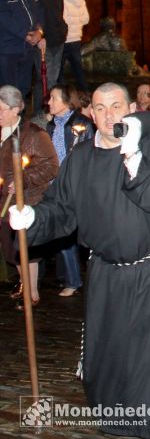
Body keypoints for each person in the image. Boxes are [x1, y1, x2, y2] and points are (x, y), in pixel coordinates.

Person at [9, 82, 150, 439]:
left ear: (130, 110)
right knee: (111, 357)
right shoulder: (79, 159)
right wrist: (31, 219)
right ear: (90, 114)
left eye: (116, 106)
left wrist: (131, 155)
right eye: (100, 107)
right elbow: (59, 211)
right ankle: (121, 424)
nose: (109, 115)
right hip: (107, 274)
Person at [0, 85, 58, 308]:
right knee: (11, 249)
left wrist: (23, 179)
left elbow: (51, 166)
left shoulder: (33, 134)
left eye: (2, 109)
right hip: (4, 201)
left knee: (25, 248)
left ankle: (32, 293)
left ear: (16, 109)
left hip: (27, 201)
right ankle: (24, 284)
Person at [46, 84, 94, 296]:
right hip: (56, 187)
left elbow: (90, 156)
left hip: (77, 186)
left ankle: (93, 277)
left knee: (85, 235)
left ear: (66, 101)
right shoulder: (50, 126)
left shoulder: (82, 124)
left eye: (54, 98)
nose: (49, 102)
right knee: (62, 233)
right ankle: (73, 280)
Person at [0, 0, 45, 97]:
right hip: (8, 50)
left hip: (27, 49)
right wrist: (25, 34)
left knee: (24, 88)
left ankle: (21, 116)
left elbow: (39, 11)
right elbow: (4, 18)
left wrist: (39, 31)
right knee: (9, 91)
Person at [29, 0, 68, 113]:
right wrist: (40, 35)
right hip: (43, 39)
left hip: (58, 38)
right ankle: (41, 113)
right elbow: (33, 14)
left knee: (52, 79)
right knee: (44, 79)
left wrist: (63, 29)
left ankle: (49, 112)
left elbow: (58, 13)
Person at [56, 0, 90, 92]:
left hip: (63, 40)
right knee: (78, 70)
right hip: (76, 40)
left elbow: (61, 22)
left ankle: (64, 95)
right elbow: (86, 20)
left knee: (58, 70)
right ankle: (85, 93)